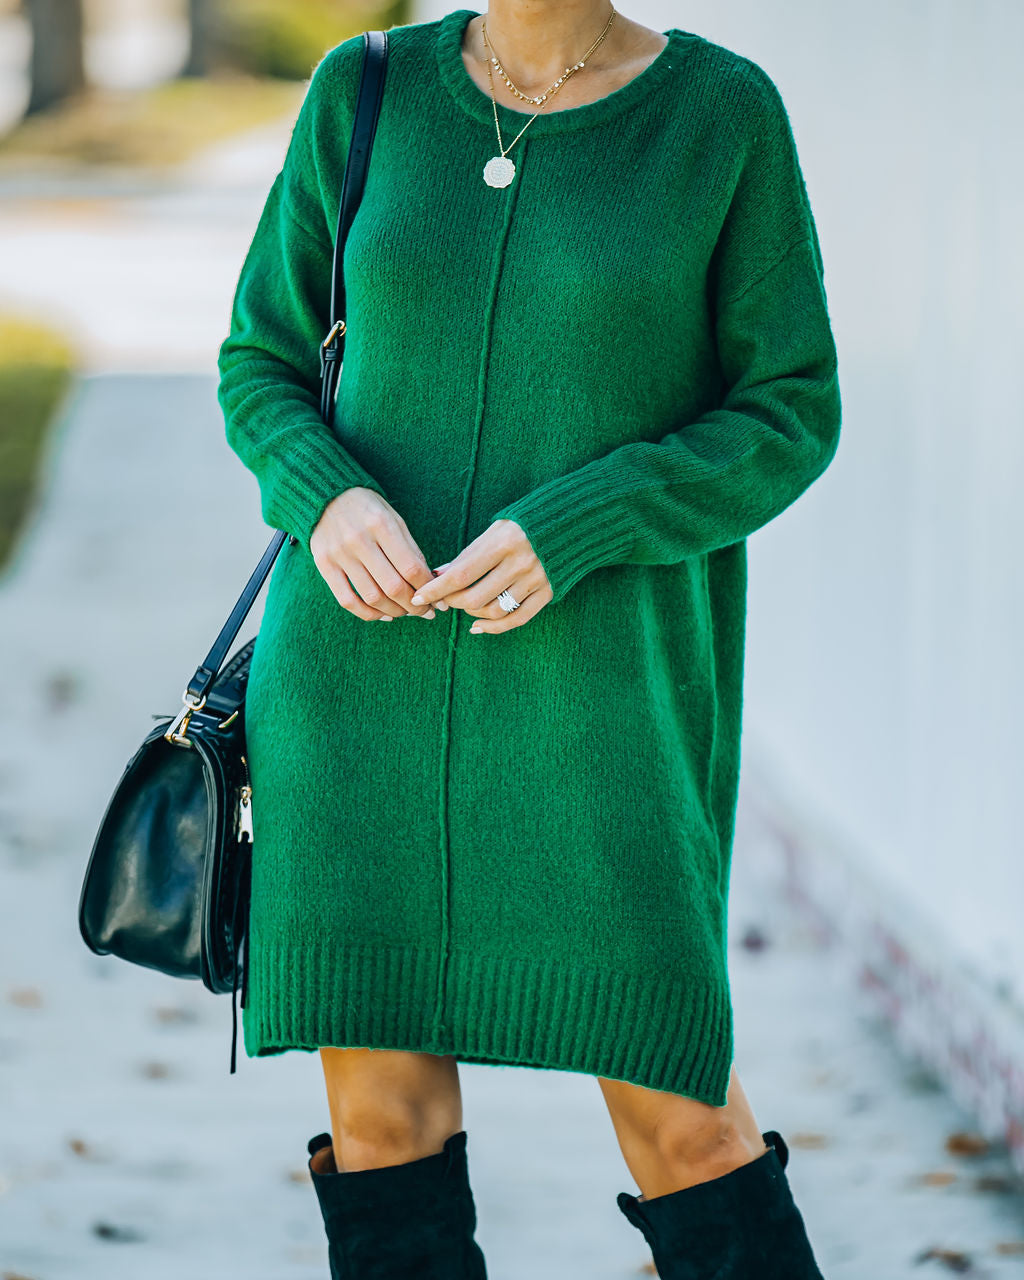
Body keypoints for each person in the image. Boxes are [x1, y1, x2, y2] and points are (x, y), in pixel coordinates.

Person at [216, 2, 841, 1276]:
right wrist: (323, 491)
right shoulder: (367, 87)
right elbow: (259, 362)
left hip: (600, 709)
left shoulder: (720, 115)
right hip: (354, 698)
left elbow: (789, 410)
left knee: (688, 1127)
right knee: (382, 1122)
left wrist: (585, 519)